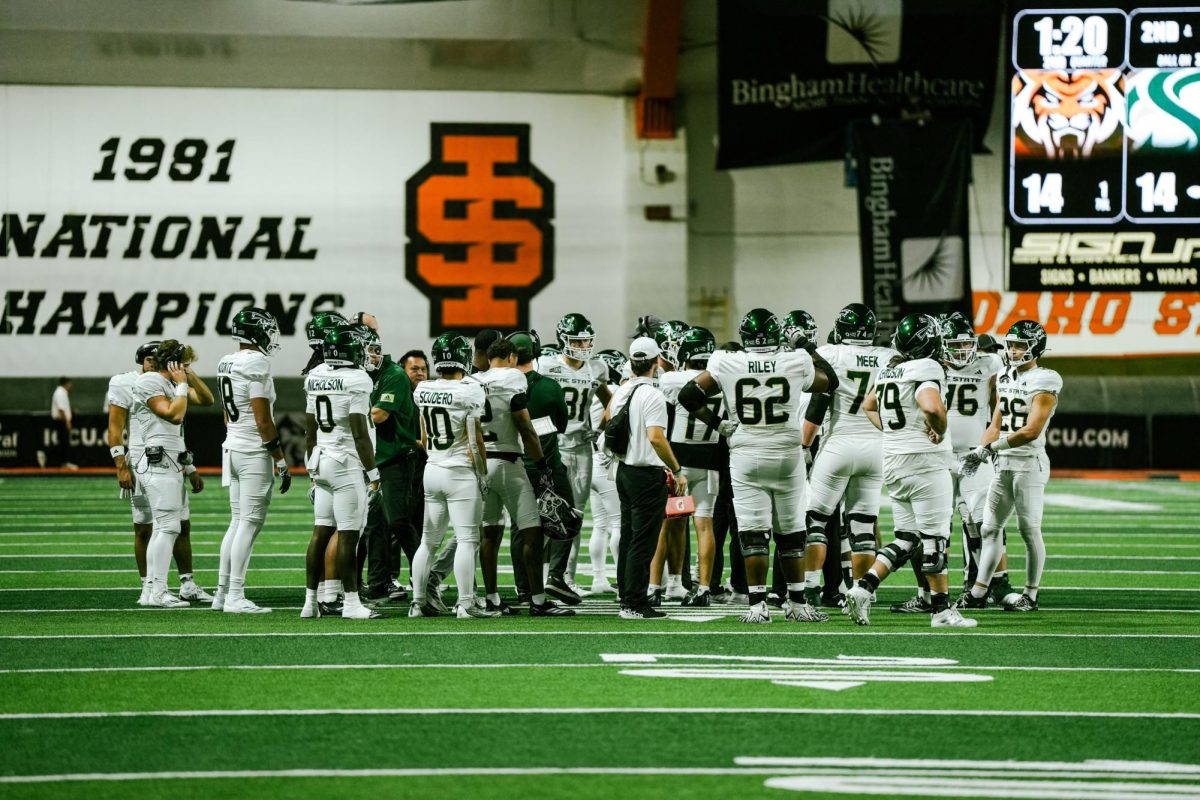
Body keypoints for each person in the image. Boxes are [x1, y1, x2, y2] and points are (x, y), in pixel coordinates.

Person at [677, 309, 837, 624]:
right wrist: (806, 346)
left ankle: (757, 605)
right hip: (786, 454)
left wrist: (717, 423)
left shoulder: (726, 360)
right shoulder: (795, 360)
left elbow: (689, 395)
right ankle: (797, 602)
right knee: (791, 532)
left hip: (746, 453)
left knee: (753, 534)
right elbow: (829, 380)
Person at [846, 313, 976, 628]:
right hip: (924, 462)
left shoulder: (889, 370)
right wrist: (939, 429)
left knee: (907, 538)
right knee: (934, 540)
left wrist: (891, 432)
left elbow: (868, 405)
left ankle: (863, 588)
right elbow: (931, 406)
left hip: (894, 460)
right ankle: (942, 611)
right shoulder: (928, 367)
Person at [960, 320, 1062, 612]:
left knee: (1028, 529)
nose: (1014, 350)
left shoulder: (1046, 379)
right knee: (990, 528)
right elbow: (996, 423)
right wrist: (980, 450)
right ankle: (978, 593)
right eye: (1012, 344)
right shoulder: (1004, 375)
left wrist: (993, 447)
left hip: (1029, 463)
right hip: (1003, 463)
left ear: (1036, 347)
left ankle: (1031, 594)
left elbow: (1031, 430)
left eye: (1020, 345)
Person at [800, 303, 898, 606]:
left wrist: (804, 446)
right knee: (863, 526)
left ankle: (810, 588)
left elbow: (817, 404)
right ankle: (862, 592)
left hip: (839, 443)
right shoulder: (889, 358)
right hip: (877, 446)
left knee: (816, 520)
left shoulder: (831, 354)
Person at [108, 341, 210, 605]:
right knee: (163, 528)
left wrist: (187, 376)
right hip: (156, 461)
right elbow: (174, 416)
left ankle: (154, 589)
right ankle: (157, 590)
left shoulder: (166, 382)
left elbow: (208, 400)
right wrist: (182, 384)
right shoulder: (148, 382)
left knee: (169, 528)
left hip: (170, 460)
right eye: (184, 363)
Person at [408, 333, 497, 620]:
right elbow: (474, 440)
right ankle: (465, 603)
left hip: (431, 468)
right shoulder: (469, 390)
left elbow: (423, 433)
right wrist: (483, 474)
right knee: (468, 539)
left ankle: (417, 602)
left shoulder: (423, 388)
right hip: (459, 472)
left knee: (427, 541)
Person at [213, 307, 292, 614]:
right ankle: (234, 595)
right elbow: (263, 419)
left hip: (232, 445)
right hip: (252, 451)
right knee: (249, 523)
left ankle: (222, 593)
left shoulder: (226, 360)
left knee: (236, 521)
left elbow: (226, 411)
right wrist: (280, 458)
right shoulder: (256, 362)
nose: (272, 335)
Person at [605, 336, 688, 620]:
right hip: (645, 474)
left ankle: (626, 597)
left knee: (629, 538)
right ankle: (634, 602)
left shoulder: (622, 390)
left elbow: (607, 419)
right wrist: (676, 469)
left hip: (624, 470)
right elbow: (656, 437)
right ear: (656, 362)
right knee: (642, 541)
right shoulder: (653, 394)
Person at [301, 326, 381, 620]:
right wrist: (373, 474)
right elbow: (360, 432)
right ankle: (351, 603)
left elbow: (309, 429)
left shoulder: (316, 375)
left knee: (320, 530)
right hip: (346, 462)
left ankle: (310, 602)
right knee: (348, 535)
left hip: (320, 459)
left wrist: (312, 468)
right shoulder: (357, 379)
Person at [474, 336, 556, 615]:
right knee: (532, 532)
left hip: (481, 466)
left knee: (490, 533)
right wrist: (542, 464)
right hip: (509, 463)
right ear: (511, 358)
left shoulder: (473, 381)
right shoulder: (513, 378)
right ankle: (538, 600)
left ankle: (493, 598)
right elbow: (524, 426)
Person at [537, 313, 614, 601]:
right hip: (554, 445)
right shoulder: (546, 365)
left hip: (581, 447)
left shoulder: (596, 368)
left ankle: (565, 577)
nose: (582, 345)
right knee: (548, 511)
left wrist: (600, 428)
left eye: (585, 339)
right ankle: (543, 575)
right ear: (563, 340)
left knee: (574, 515)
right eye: (577, 339)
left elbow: (611, 401)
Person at [507, 330, 577, 616]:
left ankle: (524, 590)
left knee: (518, 529)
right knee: (567, 515)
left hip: (514, 465)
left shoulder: (498, 386)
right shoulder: (549, 386)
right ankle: (555, 576)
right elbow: (561, 424)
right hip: (547, 463)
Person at [658, 327, 726, 607]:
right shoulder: (721, 378)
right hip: (709, 462)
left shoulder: (671, 380)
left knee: (673, 523)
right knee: (705, 525)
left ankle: (665, 584)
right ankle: (704, 588)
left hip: (680, 464)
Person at [358, 321, 423, 603]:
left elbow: (378, 415)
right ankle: (375, 583)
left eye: (373, 349)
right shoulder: (358, 374)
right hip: (374, 457)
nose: (370, 355)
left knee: (397, 521)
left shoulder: (393, 374)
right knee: (371, 525)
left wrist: (347, 413)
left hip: (396, 456)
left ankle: (425, 575)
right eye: (366, 349)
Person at [587, 348, 628, 594]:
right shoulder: (614, 394)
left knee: (599, 525)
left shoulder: (588, 390)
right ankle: (624, 582)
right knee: (618, 524)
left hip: (587, 460)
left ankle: (598, 579)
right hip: (605, 461)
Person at [49, 377, 76, 469]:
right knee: (63, 443)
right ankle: (64, 462)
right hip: (61, 422)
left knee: (64, 443)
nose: (71, 386)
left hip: (62, 421)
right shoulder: (60, 393)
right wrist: (67, 422)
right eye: (70, 384)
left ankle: (64, 462)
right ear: (66, 383)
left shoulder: (62, 392)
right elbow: (61, 409)